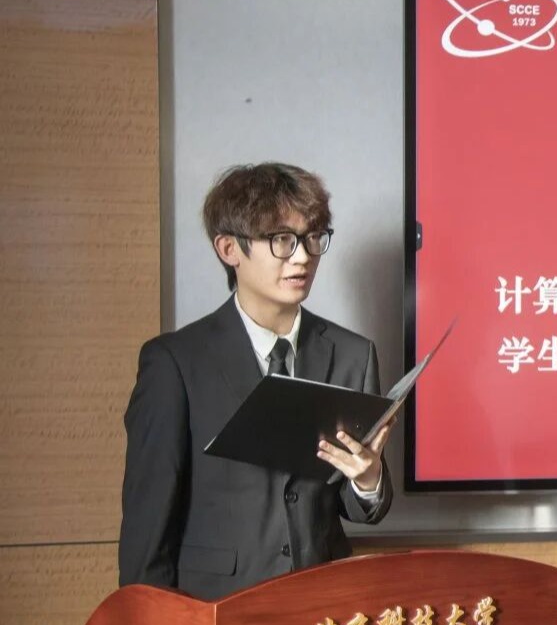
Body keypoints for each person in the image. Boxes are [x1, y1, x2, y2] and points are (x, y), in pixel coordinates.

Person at [119, 162, 392, 600]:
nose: (302, 257)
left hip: (321, 606)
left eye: (313, 237)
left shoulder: (353, 355)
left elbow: (358, 509)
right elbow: (148, 527)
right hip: (216, 605)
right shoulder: (174, 362)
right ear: (229, 248)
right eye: (281, 239)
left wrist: (369, 477)